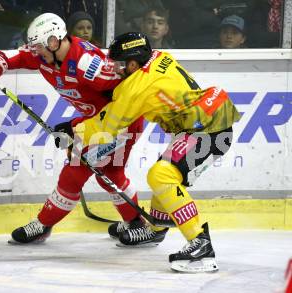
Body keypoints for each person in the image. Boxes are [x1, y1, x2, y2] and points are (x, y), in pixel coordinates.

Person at [69, 32, 241, 272]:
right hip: (209, 121)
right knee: (165, 174)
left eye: (119, 64)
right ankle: (156, 228)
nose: (115, 70)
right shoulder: (159, 56)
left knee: (162, 175)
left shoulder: (136, 88)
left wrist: (72, 129)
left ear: (132, 63)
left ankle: (201, 246)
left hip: (210, 130)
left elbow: (106, 127)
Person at [0, 13, 150, 244]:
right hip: (96, 122)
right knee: (110, 174)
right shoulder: (44, 55)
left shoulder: (89, 65)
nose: (34, 52)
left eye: (38, 47)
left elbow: (129, 95)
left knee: (74, 174)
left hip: (121, 122)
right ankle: (136, 223)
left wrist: (84, 128)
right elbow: (9, 56)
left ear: (54, 41)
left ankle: (44, 224)